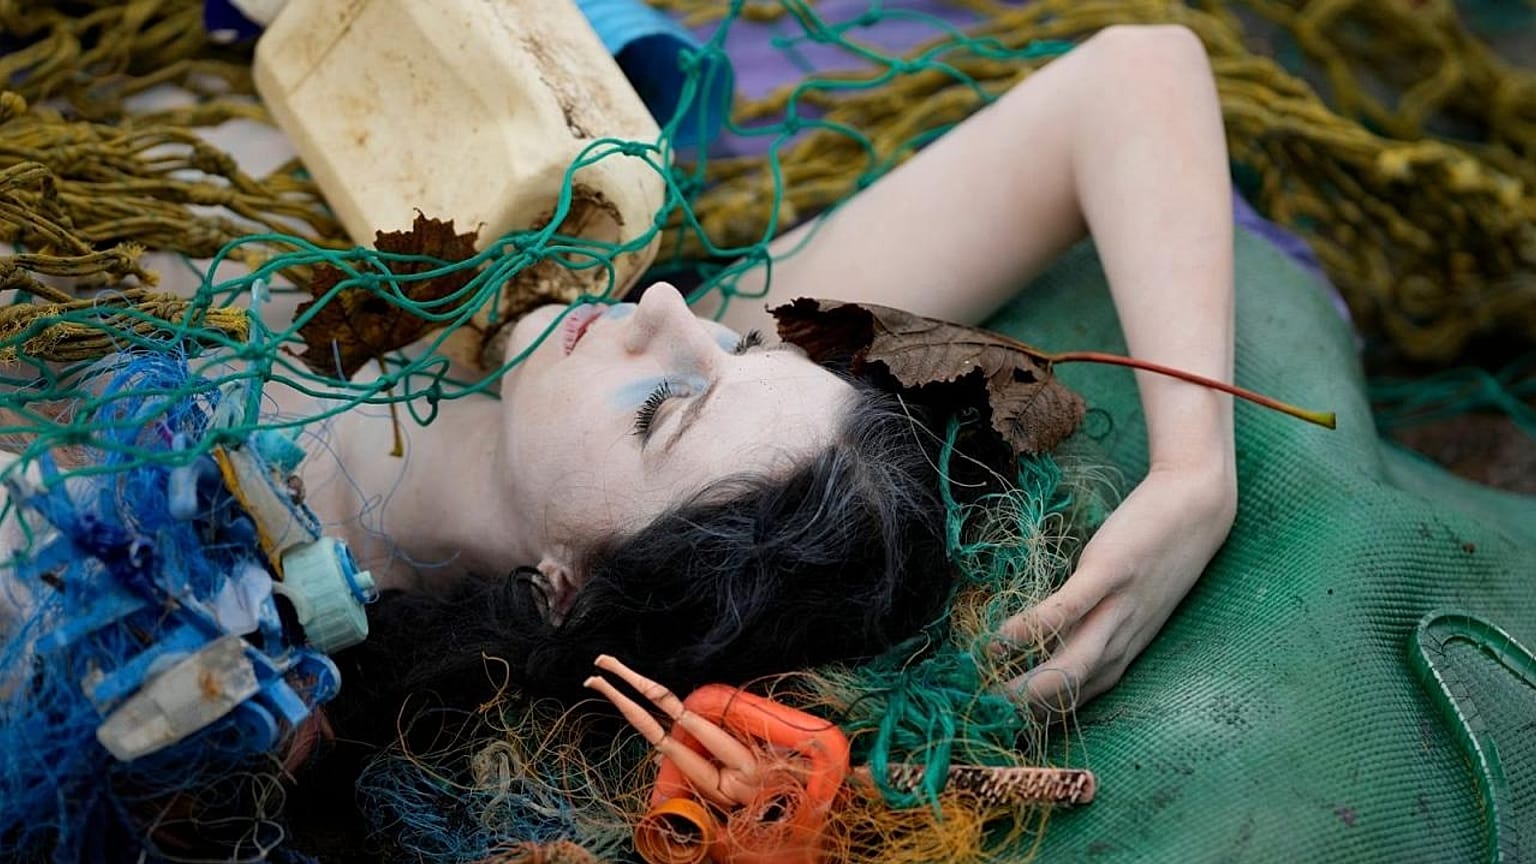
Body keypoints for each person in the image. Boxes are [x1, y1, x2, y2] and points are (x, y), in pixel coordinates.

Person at [280, 23, 1237, 715]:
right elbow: (1134, 75)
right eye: (741, 347)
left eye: (659, 410)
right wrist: (1194, 472)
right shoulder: (676, 342)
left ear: (568, 590)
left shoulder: (242, 569)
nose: (665, 308)